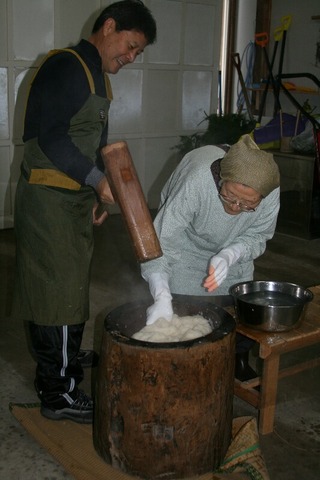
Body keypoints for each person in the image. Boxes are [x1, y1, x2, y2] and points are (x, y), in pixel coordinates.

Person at [13, 0, 157, 424]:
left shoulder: (98, 77)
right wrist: (96, 181)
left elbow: (95, 143)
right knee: (55, 294)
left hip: (73, 200)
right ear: (109, 26)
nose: (130, 58)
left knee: (71, 287)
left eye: (138, 53)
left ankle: (66, 355)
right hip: (48, 200)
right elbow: (52, 139)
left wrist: (97, 196)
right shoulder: (66, 66)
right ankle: (59, 392)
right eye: (129, 46)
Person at [141, 134, 280, 380]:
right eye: (229, 196)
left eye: (247, 204)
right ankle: (184, 367)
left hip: (234, 250)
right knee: (183, 309)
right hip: (185, 246)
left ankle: (236, 360)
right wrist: (161, 294)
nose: (235, 207)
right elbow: (160, 242)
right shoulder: (196, 181)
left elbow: (259, 235)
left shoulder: (270, 191)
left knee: (235, 313)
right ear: (220, 179)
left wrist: (230, 254)